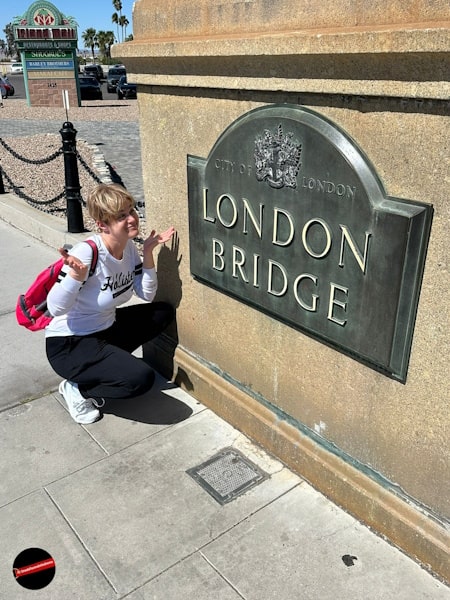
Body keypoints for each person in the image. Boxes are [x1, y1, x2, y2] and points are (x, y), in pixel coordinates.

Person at [45, 183, 175, 424]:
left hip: (107, 328)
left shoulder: (129, 249)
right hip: (70, 344)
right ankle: (78, 390)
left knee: (162, 312)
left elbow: (146, 294)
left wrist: (147, 253)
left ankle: (106, 366)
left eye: (132, 211)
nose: (132, 219)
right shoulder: (86, 253)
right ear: (102, 224)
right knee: (141, 379)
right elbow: (55, 308)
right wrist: (75, 278)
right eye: (121, 216)